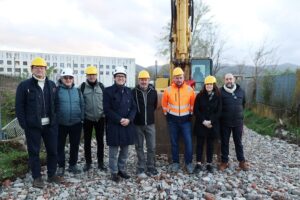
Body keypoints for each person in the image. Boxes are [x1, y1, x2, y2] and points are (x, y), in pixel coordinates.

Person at [15, 57, 63, 188]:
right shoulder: (24, 86)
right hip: (33, 127)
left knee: (53, 150)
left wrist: (56, 119)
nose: (39, 69)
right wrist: (24, 125)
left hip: (50, 126)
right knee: (34, 152)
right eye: (36, 67)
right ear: (32, 69)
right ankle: (37, 177)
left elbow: (57, 104)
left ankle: (52, 174)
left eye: (42, 67)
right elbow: (19, 106)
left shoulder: (52, 85)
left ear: (45, 69)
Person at [103, 66, 137, 182]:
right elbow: (107, 109)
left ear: (125, 78)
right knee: (113, 152)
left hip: (127, 125)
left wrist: (129, 119)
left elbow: (133, 107)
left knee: (125, 150)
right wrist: (120, 119)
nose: (120, 78)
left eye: (122, 76)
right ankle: (113, 172)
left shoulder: (129, 91)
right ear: (114, 78)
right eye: (118, 76)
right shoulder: (108, 91)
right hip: (114, 125)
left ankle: (121, 169)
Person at [161, 67, 195, 174]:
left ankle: (188, 163)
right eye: (177, 78)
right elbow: (164, 104)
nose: (179, 80)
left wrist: (190, 114)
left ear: (183, 78)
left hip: (186, 121)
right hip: (173, 121)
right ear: (173, 79)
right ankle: (175, 162)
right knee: (174, 142)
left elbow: (193, 104)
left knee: (188, 142)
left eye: (180, 78)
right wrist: (167, 114)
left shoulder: (190, 90)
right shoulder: (168, 90)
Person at [56, 68, 84, 176]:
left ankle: (73, 165)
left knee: (75, 145)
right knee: (60, 146)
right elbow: (53, 106)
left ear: (73, 79)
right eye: (65, 77)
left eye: (70, 77)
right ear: (62, 79)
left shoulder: (77, 91)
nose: (68, 79)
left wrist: (81, 119)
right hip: (61, 124)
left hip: (76, 123)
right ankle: (61, 166)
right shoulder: (57, 90)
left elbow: (82, 104)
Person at [219, 73, 249, 171]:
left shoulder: (241, 91)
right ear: (224, 80)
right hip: (224, 122)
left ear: (234, 80)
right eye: (227, 79)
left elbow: (243, 104)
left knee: (238, 142)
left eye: (230, 79)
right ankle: (224, 162)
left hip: (238, 122)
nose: (229, 81)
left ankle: (241, 162)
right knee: (224, 142)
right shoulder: (220, 92)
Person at [132, 70, 158, 178]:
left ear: (148, 80)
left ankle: (151, 166)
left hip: (150, 124)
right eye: (142, 79)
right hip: (137, 124)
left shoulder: (153, 92)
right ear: (139, 80)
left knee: (151, 146)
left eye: (145, 79)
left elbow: (155, 106)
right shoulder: (133, 92)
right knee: (139, 146)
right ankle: (141, 166)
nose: (144, 81)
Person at [193, 75, 222, 173]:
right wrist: (204, 121)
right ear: (204, 85)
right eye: (207, 84)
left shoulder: (218, 96)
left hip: (212, 125)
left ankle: (209, 164)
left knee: (210, 145)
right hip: (201, 124)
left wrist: (211, 121)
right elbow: (196, 110)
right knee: (199, 144)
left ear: (214, 85)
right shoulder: (200, 96)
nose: (209, 86)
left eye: (211, 84)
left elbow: (219, 111)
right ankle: (198, 163)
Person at [80, 66, 106, 171]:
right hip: (87, 119)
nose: (92, 76)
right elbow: (80, 103)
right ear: (86, 75)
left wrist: (104, 114)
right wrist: (82, 117)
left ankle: (100, 162)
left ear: (96, 75)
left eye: (93, 74)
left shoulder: (101, 86)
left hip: (100, 118)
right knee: (87, 141)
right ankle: (88, 163)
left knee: (100, 141)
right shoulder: (82, 87)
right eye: (90, 75)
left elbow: (105, 101)